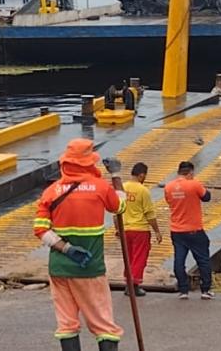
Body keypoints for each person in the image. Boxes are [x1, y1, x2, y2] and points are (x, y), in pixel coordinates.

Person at [33, 138, 126, 351]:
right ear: (89, 162)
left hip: (59, 268)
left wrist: (66, 248)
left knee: (66, 324)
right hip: (90, 268)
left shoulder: (51, 191)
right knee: (104, 325)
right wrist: (116, 175)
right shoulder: (101, 187)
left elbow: (40, 229)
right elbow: (119, 207)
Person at [163, 160, 213, 300]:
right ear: (190, 172)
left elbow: (168, 201)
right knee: (203, 260)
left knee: (179, 260)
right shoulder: (194, 184)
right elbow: (207, 197)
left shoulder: (169, 187)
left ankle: (183, 290)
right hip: (194, 230)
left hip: (177, 231)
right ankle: (205, 290)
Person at [121, 162, 163, 297]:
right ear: (141, 175)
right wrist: (157, 231)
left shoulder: (122, 188)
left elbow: (117, 210)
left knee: (128, 257)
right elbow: (149, 213)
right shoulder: (143, 190)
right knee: (139, 258)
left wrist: (118, 228)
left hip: (125, 229)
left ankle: (128, 282)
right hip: (140, 230)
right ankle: (134, 285)